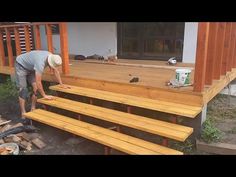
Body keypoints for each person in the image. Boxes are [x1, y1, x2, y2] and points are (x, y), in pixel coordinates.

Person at [14, 50, 70, 122]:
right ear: (49, 62)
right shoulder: (40, 63)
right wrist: (44, 95)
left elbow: (56, 71)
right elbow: (38, 82)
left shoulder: (53, 57)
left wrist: (61, 84)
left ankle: (33, 108)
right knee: (23, 90)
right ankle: (23, 112)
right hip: (21, 65)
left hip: (31, 67)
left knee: (36, 88)